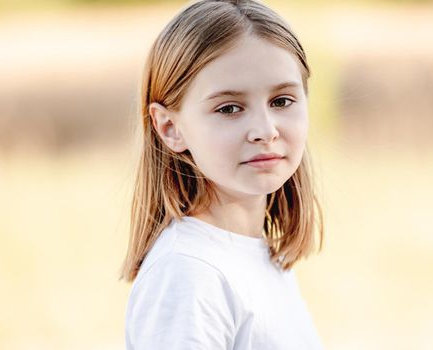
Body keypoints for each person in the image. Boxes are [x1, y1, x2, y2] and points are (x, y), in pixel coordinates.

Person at [120, 0, 325, 348]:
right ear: (170, 127)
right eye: (229, 108)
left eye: (281, 101)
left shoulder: (258, 256)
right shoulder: (187, 273)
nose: (265, 130)